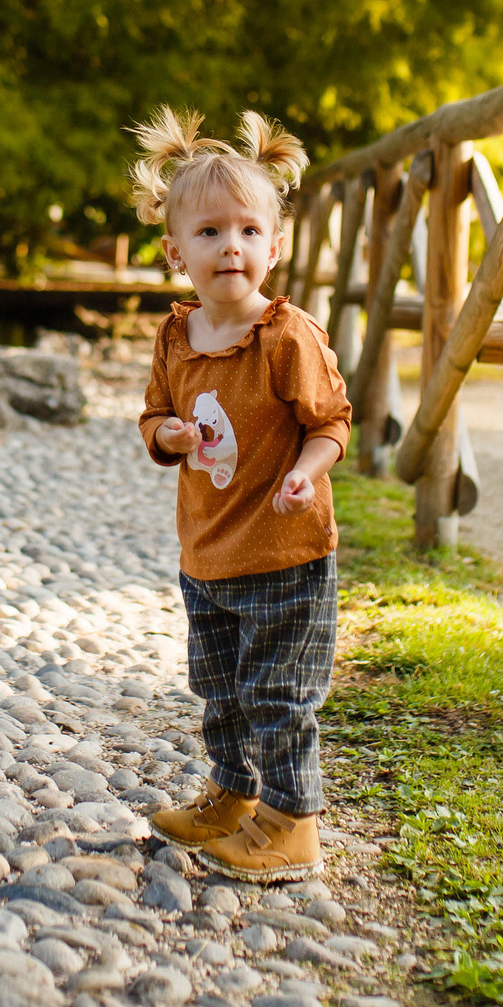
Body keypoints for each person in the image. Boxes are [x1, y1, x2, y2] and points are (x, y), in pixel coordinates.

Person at [129, 107, 351, 883]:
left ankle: (292, 821)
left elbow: (330, 422)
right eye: (211, 232)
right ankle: (231, 793)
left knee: (277, 692)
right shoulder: (176, 337)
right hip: (209, 551)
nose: (232, 246)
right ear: (175, 250)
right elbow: (153, 416)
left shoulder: (287, 337)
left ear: (275, 246)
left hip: (284, 551)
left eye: (249, 231)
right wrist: (170, 437)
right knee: (218, 686)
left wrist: (308, 470)